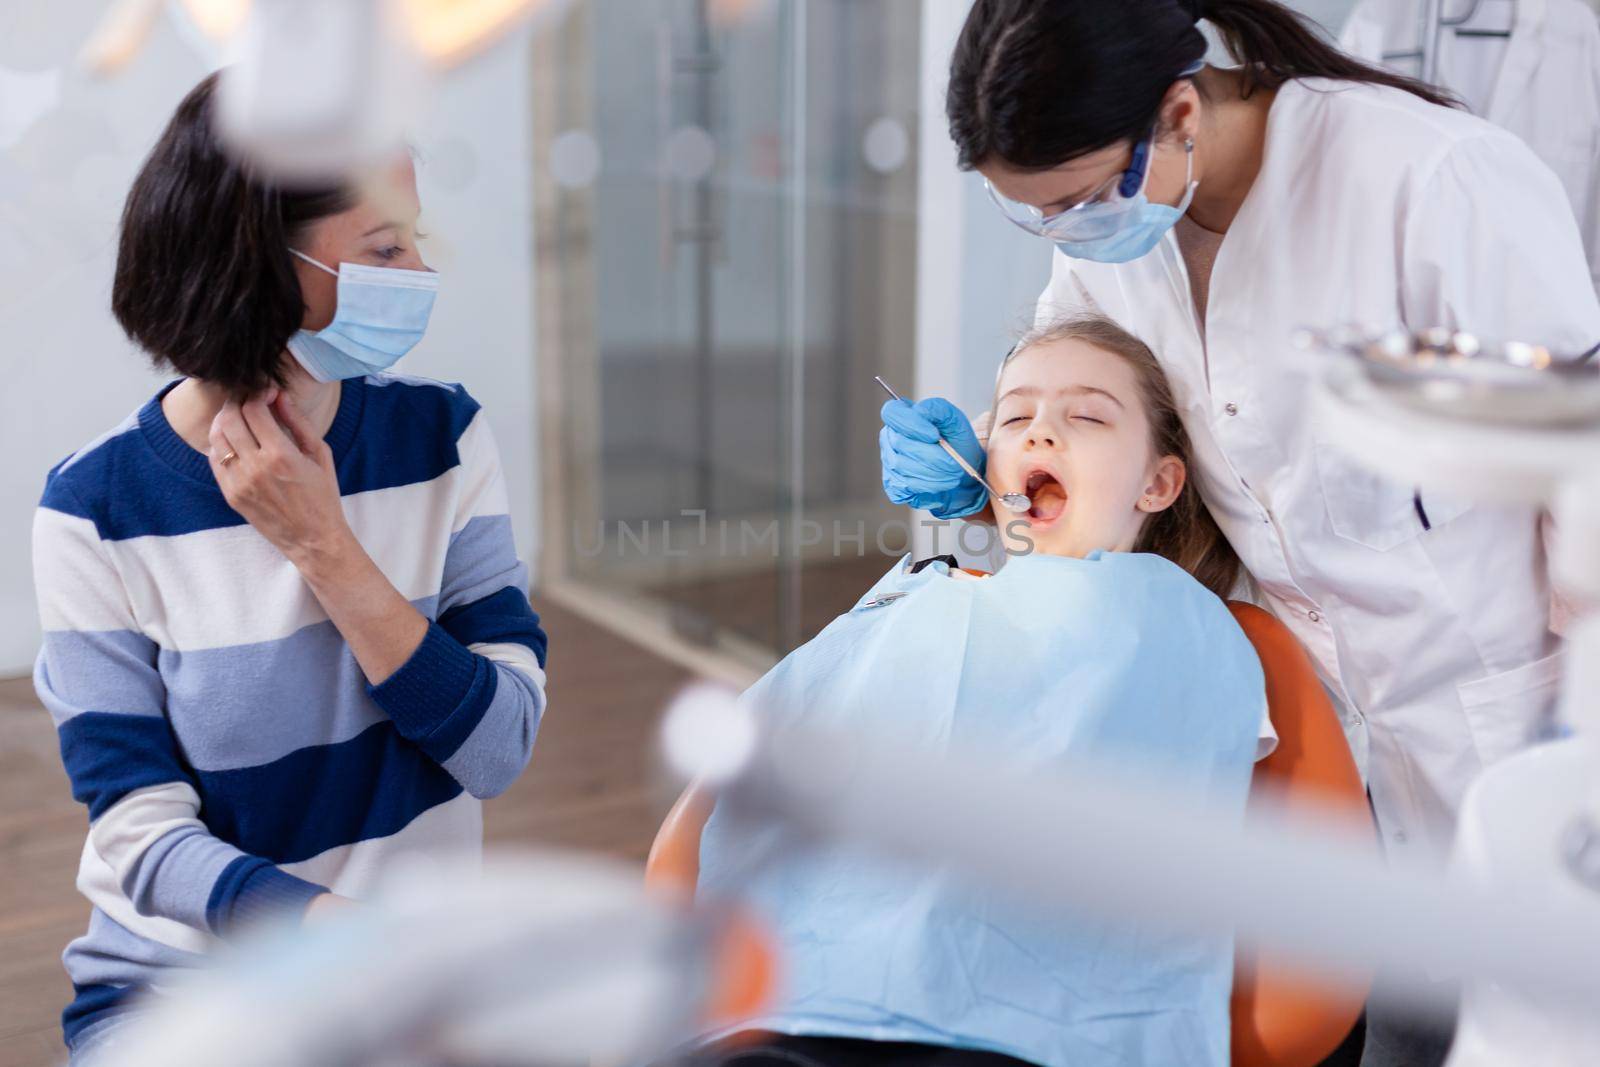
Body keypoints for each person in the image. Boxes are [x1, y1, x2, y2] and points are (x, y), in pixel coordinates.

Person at [879, 4, 1600, 1059]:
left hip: (1511, 728)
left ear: (1178, 111)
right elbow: (1077, 395)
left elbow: (1578, 472)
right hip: (1324, 750)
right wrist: (981, 460)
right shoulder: (1117, 236)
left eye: (1076, 201)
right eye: (1033, 217)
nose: (1066, 233)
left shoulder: (1430, 181)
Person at [31, 72, 548, 1063]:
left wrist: (326, 546)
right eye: (385, 248)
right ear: (258, 261)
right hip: (191, 994)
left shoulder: (444, 437)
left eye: (416, 240)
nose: (419, 270)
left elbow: (499, 748)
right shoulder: (95, 506)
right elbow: (138, 831)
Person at [698, 316, 1275, 1067]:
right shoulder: (926, 586)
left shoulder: (1182, 617)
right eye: (1014, 417)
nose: (1039, 434)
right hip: (813, 988)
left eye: (1088, 415)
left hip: (1039, 1023)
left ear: (1159, 481)